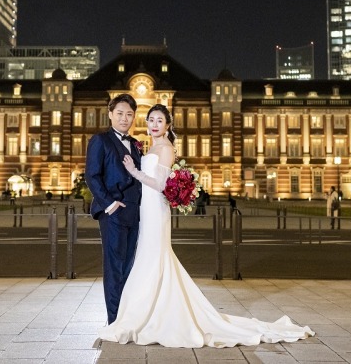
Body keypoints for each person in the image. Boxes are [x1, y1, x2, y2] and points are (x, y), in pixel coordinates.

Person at [98, 104, 313, 348]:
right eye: (150, 120)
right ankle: (146, 312)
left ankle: (149, 315)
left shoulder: (166, 148)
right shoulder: (152, 146)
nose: (154, 124)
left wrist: (134, 171)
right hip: (145, 209)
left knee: (153, 256)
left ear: (168, 125)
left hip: (156, 210)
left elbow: (159, 185)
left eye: (159, 120)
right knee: (148, 257)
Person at [86, 93, 143, 325]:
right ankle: (114, 321)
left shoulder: (136, 144)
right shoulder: (100, 141)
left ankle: (126, 317)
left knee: (128, 266)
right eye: (119, 113)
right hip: (113, 212)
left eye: (129, 114)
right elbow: (92, 176)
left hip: (134, 212)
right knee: (114, 268)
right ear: (110, 114)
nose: (124, 118)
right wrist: (109, 204)